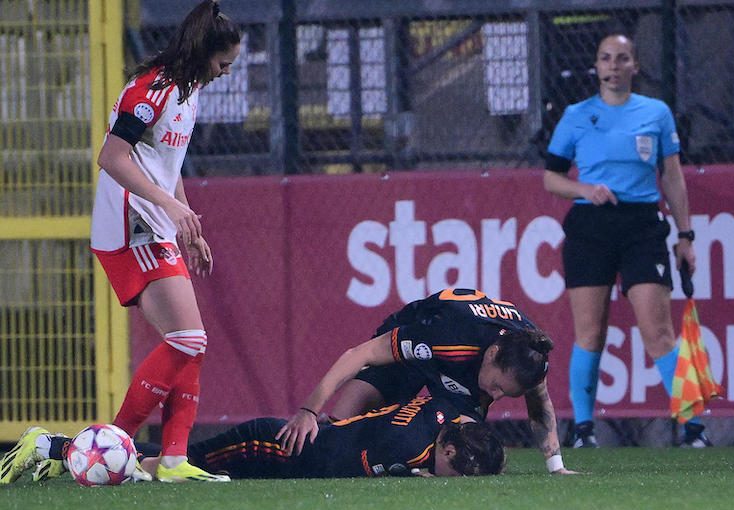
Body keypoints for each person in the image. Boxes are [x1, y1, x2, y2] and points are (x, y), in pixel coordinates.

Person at [1, 1, 242, 485]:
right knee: (188, 339)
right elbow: (111, 157)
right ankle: (101, 447)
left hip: (155, 225)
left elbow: (167, 166)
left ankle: (170, 462)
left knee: (191, 344)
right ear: (203, 52)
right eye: (223, 62)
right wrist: (170, 208)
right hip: (129, 226)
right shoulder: (151, 89)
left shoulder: (188, 89)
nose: (225, 72)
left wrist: (186, 222)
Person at [542, 33, 707, 448]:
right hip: (591, 227)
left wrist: (685, 235)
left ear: (634, 65)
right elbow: (551, 178)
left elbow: (672, 176)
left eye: (621, 58)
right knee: (590, 333)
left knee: (658, 331)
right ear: (597, 66)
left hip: (642, 226)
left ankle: (693, 428)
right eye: (605, 58)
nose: (613, 66)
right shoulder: (577, 115)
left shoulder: (656, 113)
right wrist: (585, 189)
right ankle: (583, 430)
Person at [276, 288, 578, 475]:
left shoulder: (531, 357)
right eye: (498, 388)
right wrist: (309, 411)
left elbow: (540, 408)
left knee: (466, 452)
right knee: (340, 428)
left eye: (506, 394)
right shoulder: (449, 336)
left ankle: (414, 469)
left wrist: (556, 467)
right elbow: (359, 354)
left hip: (463, 368)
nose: (496, 397)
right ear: (491, 354)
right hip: (418, 344)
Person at [3, 397, 505, 482]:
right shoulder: (407, 447)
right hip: (270, 448)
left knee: (173, 466)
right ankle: (53, 446)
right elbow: (361, 473)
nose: (455, 480)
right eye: (459, 471)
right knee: (170, 468)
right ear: (450, 450)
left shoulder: (441, 416)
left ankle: (61, 453)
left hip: (283, 450)